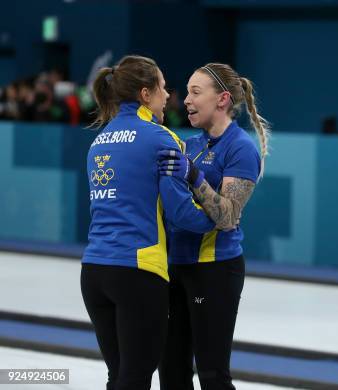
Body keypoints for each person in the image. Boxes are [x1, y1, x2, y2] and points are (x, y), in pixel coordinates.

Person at [81, 55, 216, 390]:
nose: (168, 95)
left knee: (120, 375)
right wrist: (217, 219)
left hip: (94, 270)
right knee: (136, 377)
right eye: (162, 86)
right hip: (138, 272)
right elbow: (180, 212)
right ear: (145, 93)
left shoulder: (99, 140)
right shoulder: (161, 138)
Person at [157, 63, 269, 390]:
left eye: (195, 92)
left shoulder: (240, 148)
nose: (185, 100)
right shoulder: (189, 144)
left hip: (215, 270)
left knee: (212, 376)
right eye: (186, 92)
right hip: (175, 266)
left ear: (222, 99)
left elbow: (228, 216)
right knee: (171, 373)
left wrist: (194, 176)